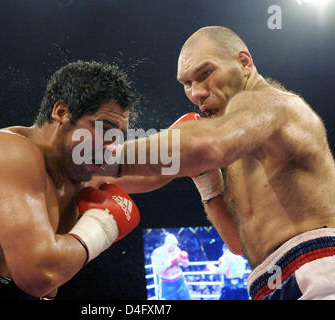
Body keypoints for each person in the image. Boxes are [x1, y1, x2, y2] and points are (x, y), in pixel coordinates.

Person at [94, 26, 335, 300]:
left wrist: (96, 159)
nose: (196, 93)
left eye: (205, 74)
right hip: (268, 283)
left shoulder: (274, 105)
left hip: (318, 270)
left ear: (244, 63)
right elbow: (238, 243)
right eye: (187, 83)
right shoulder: (235, 148)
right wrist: (210, 187)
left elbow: (205, 145)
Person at [0, 60, 142, 300]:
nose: (111, 145)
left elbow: (164, 165)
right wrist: (101, 226)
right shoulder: (8, 151)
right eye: (105, 129)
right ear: (62, 112)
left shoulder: (77, 172)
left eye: (118, 136)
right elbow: (39, 274)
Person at [151, 233, 191, 300]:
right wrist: (169, 263)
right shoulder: (158, 253)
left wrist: (183, 259)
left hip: (180, 281)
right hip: (167, 285)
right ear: (167, 244)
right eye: (173, 245)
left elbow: (186, 265)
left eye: (176, 245)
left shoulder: (177, 249)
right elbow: (159, 272)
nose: (175, 247)